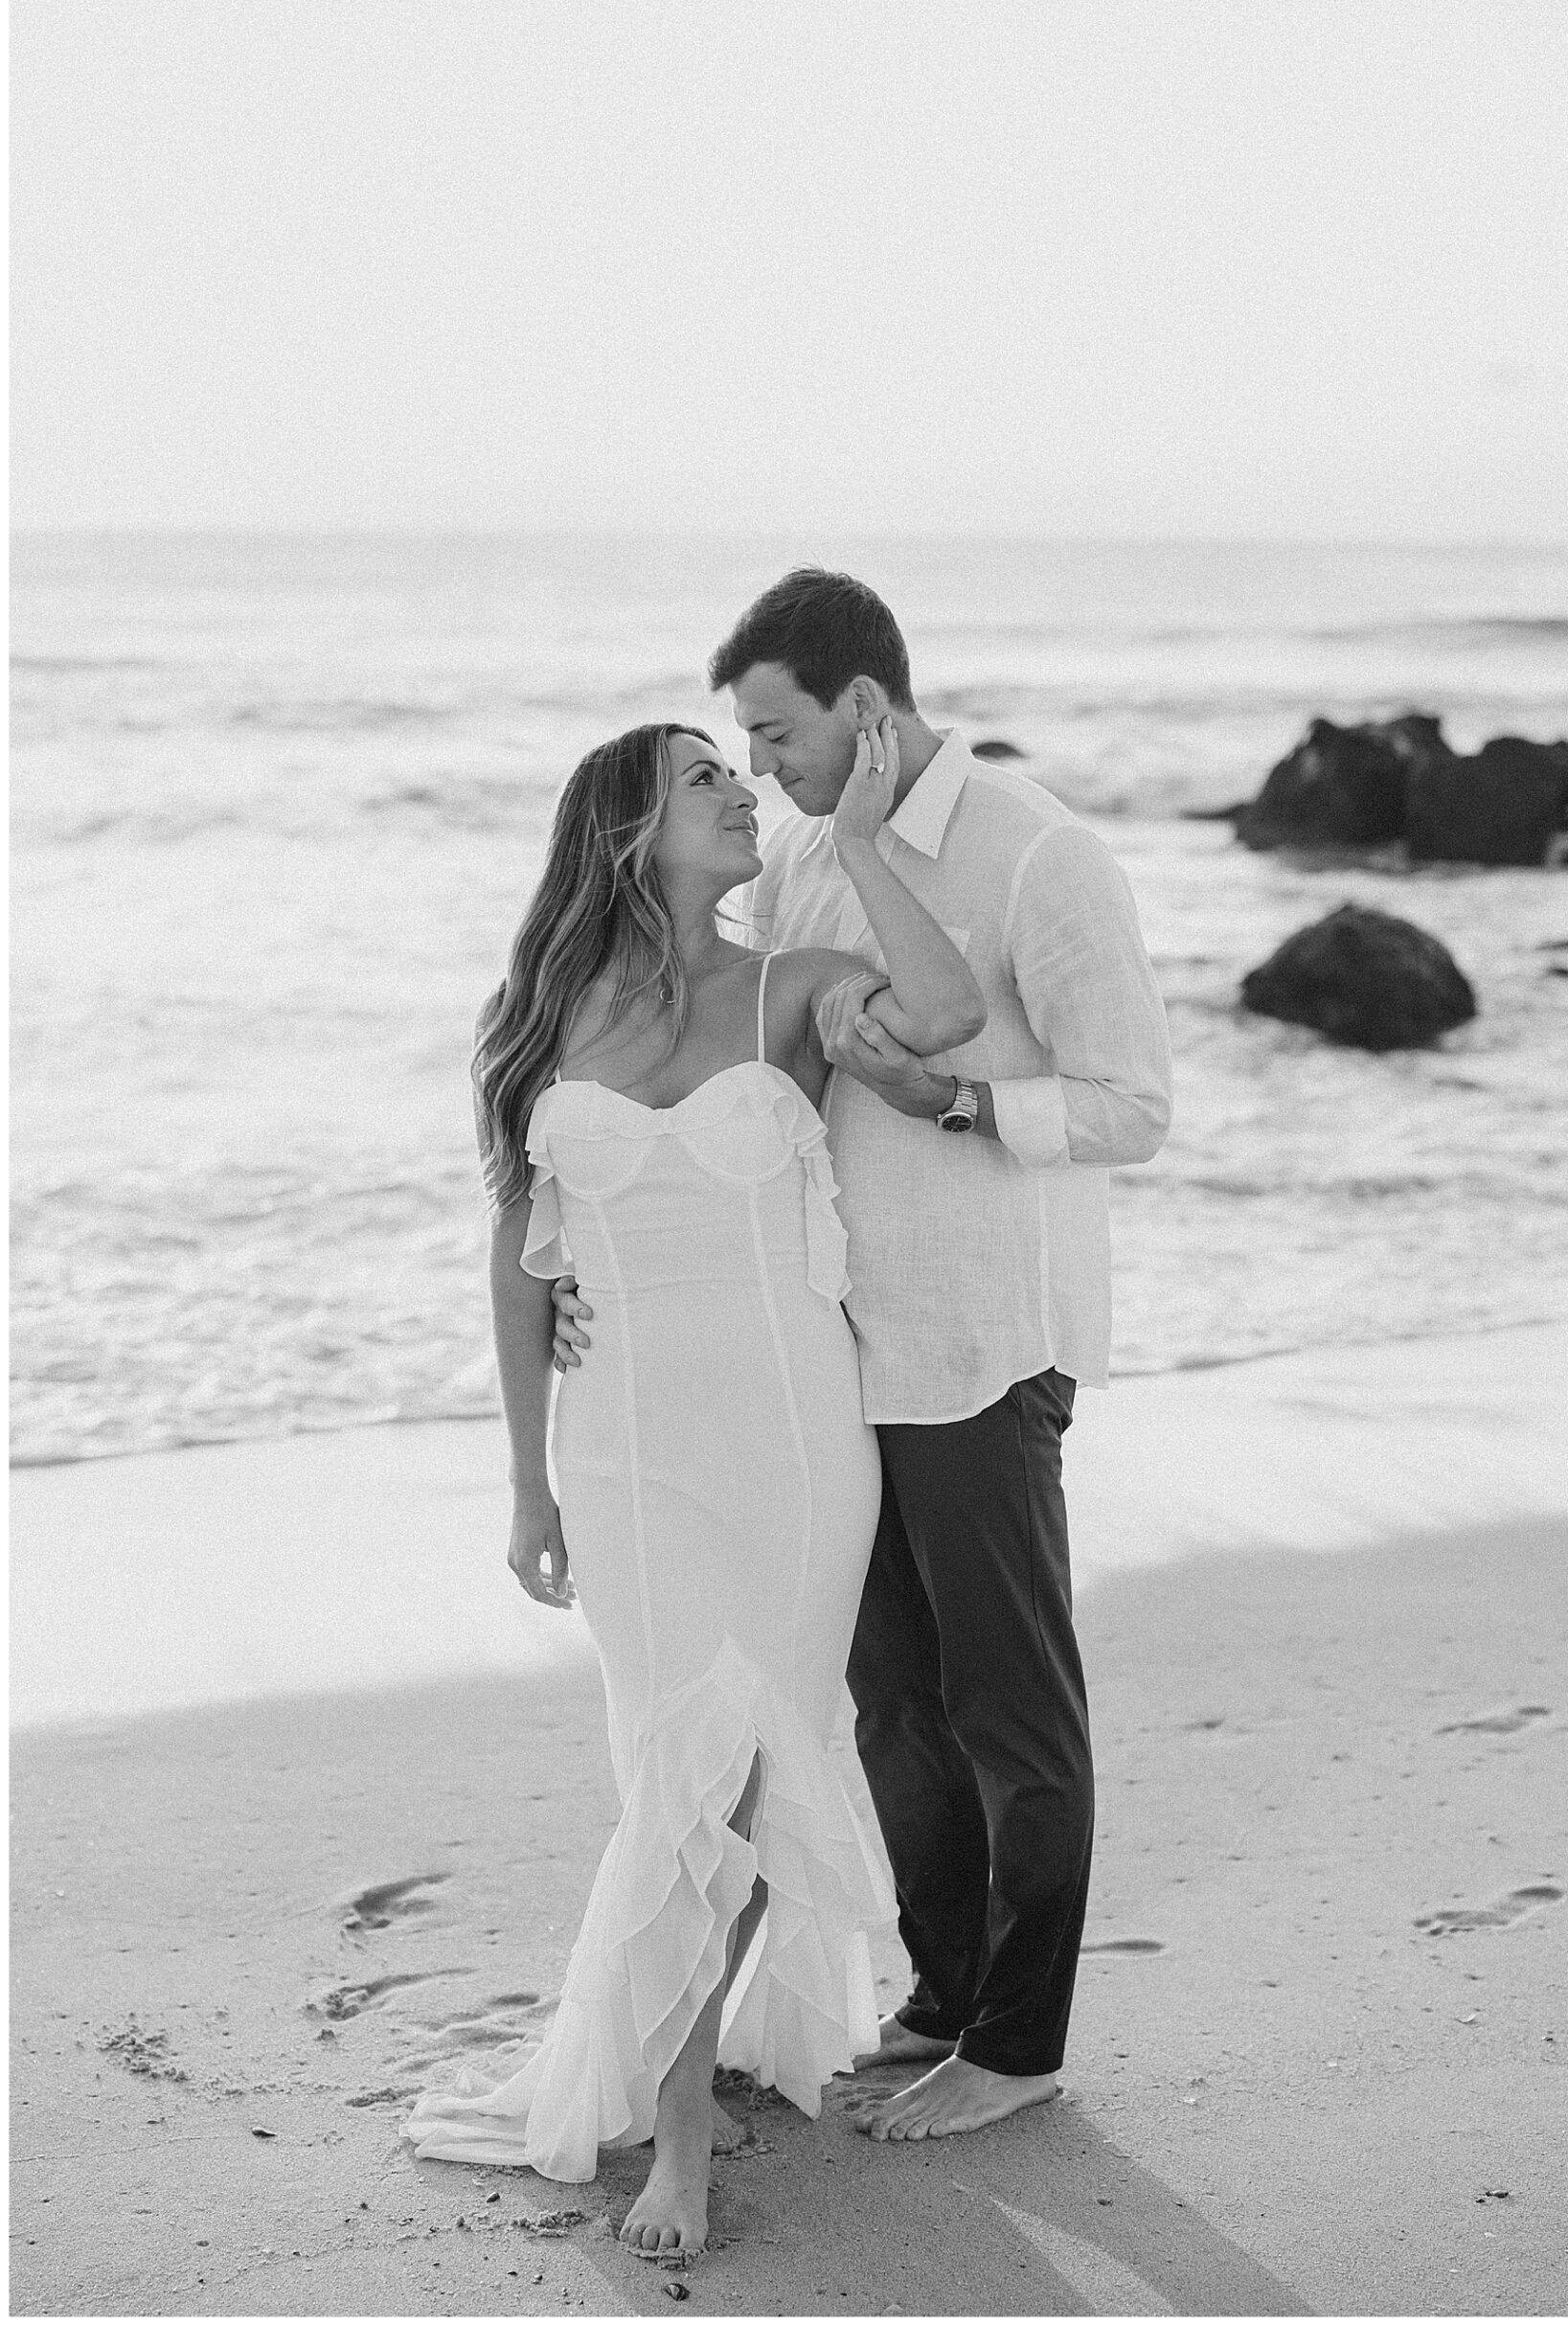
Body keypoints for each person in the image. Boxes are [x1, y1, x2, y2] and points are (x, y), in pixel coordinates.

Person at [555, 569, 1173, 2145]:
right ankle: (941, 1997)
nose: (758, 769)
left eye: (774, 736)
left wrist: (966, 1105)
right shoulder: (810, 864)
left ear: (865, 710)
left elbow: (1135, 1106)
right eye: (741, 750)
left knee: (1008, 1708)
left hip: (979, 1343)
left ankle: (1018, 2040)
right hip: (829, 1360)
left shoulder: (1039, 854)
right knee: (891, 1709)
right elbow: (742, 1061)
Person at [401, 715, 985, 2257]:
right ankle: (681, 2061)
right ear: (624, 833)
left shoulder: (786, 987)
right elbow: (519, 1272)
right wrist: (525, 1486)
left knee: (742, 1759)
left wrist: (857, 844)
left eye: (742, 772)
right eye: (705, 781)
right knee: (668, 1759)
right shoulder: (540, 1017)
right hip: (622, 1442)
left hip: (791, 1437)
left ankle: (679, 2131)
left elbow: (943, 1010)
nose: (741, 795)